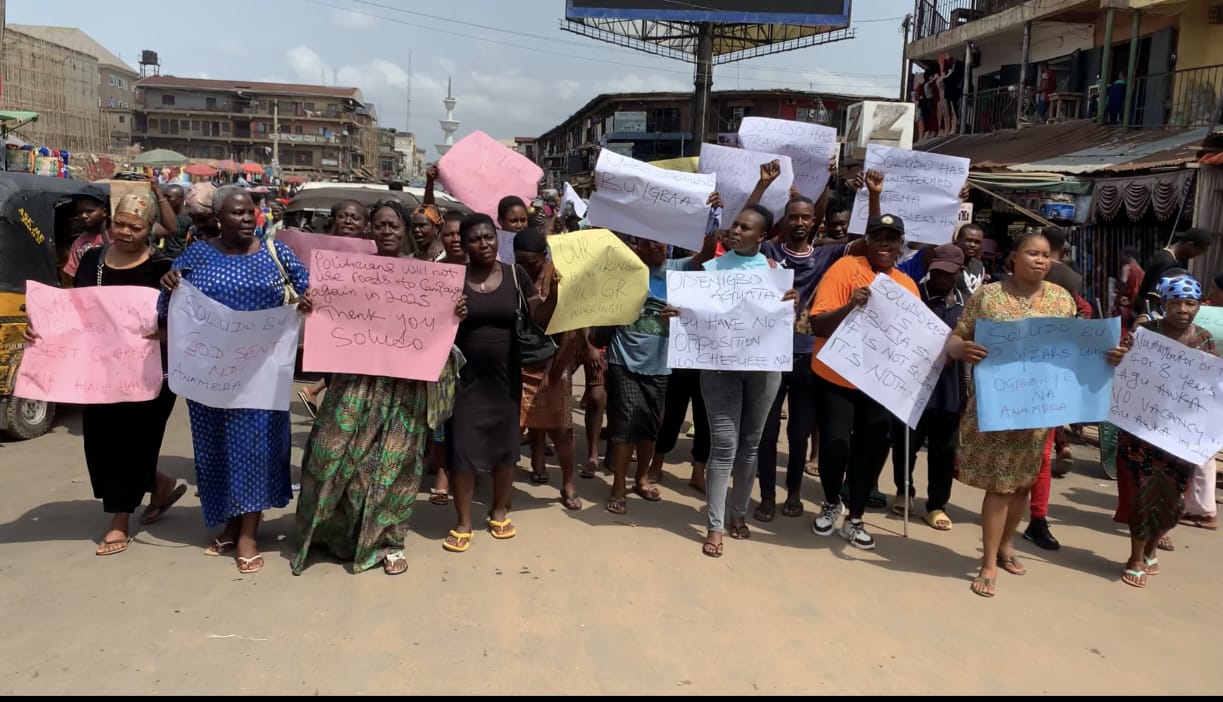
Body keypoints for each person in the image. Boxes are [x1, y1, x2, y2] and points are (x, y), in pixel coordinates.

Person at [292, 201, 463, 576]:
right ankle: (331, 535)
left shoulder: (426, 275)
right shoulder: (348, 272)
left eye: (394, 226)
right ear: (371, 230)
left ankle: (387, 541)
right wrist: (310, 304)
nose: (387, 231)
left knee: (393, 465)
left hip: (404, 386)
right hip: (354, 380)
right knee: (332, 455)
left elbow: (437, 328)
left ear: (406, 231)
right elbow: (326, 312)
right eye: (380, 225)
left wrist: (455, 311)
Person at [158, 186, 311, 574]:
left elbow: (312, 291)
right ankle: (230, 520)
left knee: (255, 449)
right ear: (218, 218)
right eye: (237, 213)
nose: (246, 219)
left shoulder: (276, 254)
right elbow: (169, 308)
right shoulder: (196, 254)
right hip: (210, 376)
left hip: (261, 374)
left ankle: (248, 533)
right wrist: (169, 285)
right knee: (217, 449)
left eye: (251, 212)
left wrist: (307, 304)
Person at [25, 194, 187, 556]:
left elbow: (190, 318)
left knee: (134, 443)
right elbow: (74, 310)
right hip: (98, 370)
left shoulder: (165, 268)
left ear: (150, 230)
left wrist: (168, 333)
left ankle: (119, 521)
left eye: (136, 227)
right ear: (110, 223)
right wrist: (41, 330)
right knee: (99, 444)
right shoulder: (92, 260)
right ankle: (159, 484)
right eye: (120, 224)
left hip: (151, 372)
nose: (126, 232)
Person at [947, 231, 1079, 597]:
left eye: (1046, 255)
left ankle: (1007, 545)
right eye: (1032, 253)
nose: (1040, 260)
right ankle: (988, 562)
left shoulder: (1061, 299)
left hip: (1039, 408)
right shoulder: (988, 296)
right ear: (1013, 258)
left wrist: (1107, 355)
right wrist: (962, 349)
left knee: (1023, 482)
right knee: (1000, 485)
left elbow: (1074, 349)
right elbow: (957, 337)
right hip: (998, 404)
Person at [681, 204, 797, 557]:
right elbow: (694, 310)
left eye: (745, 228)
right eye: (734, 225)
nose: (736, 231)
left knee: (751, 444)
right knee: (724, 445)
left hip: (763, 370)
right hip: (719, 369)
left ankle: (739, 513)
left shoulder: (775, 272)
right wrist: (681, 312)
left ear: (762, 237)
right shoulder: (711, 269)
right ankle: (715, 526)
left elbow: (788, 320)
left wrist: (792, 302)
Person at [442, 213, 559, 553]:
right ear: (463, 245)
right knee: (461, 449)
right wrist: (451, 315)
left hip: (505, 380)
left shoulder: (515, 274)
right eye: (476, 239)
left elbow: (537, 316)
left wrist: (556, 295)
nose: (484, 244)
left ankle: (498, 510)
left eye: (489, 237)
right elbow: (431, 327)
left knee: (505, 449)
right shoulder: (452, 279)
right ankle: (463, 521)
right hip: (463, 381)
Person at [808, 213, 919, 550]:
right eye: (878, 237)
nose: (885, 244)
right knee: (834, 444)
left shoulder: (907, 286)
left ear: (900, 246)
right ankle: (830, 501)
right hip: (835, 377)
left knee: (869, 452)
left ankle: (855, 518)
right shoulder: (844, 269)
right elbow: (818, 326)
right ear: (867, 241)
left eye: (892, 238)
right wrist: (849, 306)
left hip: (878, 385)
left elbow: (913, 340)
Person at [1108, 273, 1217, 587]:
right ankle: (1136, 556)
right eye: (1176, 303)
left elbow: (1210, 387)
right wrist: (1119, 358)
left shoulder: (1204, 340)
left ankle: (1153, 548)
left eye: (1190, 303)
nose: (1183, 309)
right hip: (1140, 432)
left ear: (1199, 306)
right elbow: (1122, 363)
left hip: (1179, 438)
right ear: (1164, 304)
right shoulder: (1145, 333)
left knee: (1170, 500)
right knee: (1140, 495)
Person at [598, 235, 685, 514]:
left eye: (660, 242)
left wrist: (712, 216)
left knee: (649, 428)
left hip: (659, 365)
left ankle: (641, 478)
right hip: (624, 359)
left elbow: (707, 254)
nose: (656, 247)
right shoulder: (625, 270)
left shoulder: (678, 269)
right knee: (625, 426)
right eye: (648, 243)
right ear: (637, 246)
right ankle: (619, 485)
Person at [754, 192, 822, 521]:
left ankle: (793, 492)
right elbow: (743, 230)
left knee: (798, 432)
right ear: (784, 219)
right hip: (771, 354)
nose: (799, 223)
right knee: (767, 432)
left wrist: (873, 196)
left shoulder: (825, 256)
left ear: (813, 222)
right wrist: (761, 185)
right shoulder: (767, 251)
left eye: (805, 217)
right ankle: (766, 496)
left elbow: (864, 241)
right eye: (793, 216)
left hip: (807, 359)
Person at [890, 244, 966, 531]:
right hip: (912, 387)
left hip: (949, 392)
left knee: (943, 451)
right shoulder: (914, 297)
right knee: (905, 444)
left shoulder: (967, 305)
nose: (940, 279)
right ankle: (904, 490)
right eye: (935, 272)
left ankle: (936, 504)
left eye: (947, 274)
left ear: (958, 273)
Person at [514, 227, 582, 508]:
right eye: (521, 262)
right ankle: (503, 487)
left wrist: (553, 373)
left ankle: (567, 484)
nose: (527, 269)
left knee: (562, 430)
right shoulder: (513, 275)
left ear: (545, 256)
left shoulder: (561, 279)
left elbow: (571, 333)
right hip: (518, 363)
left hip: (554, 364)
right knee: (513, 429)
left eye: (532, 263)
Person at [297, 200, 372, 417]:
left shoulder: (375, 253)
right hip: (327, 324)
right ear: (334, 220)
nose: (348, 221)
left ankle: (316, 392)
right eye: (343, 216)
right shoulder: (315, 249)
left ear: (365, 224)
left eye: (355, 217)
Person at [427, 210, 468, 508]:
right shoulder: (433, 269)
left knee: (468, 420)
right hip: (441, 355)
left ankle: (466, 472)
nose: (454, 239)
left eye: (459, 233)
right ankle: (441, 475)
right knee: (440, 420)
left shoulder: (482, 269)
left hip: (475, 356)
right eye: (449, 234)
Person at [1138, 229, 1213, 311]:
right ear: (1190, 244)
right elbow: (1153, 296)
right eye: (1197, 252)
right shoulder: (1166, 262)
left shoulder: (1171, 258)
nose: (1194, 256)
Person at [64, 191, 110, 279]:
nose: (83, 215)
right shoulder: (78, 244)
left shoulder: (116, 236)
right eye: (80, 212)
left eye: (89, 211)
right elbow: (71, 275)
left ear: (104, 212)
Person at [156, 184, 192, 258]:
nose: (165, 200)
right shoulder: (162, 213)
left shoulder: (189, 217)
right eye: (164, 196)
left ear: (181, 199)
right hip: (162, 257)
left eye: (169, 197)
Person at [1114, 247, 1145, 332]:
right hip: (1136, 308)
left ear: (1129, 256)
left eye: (1122, 256)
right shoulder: (1142, 272)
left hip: (1125, 306)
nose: (1121, 259)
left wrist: (1117, 298)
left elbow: (1123, 283)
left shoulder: (1127, 268)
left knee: (1121, 331)